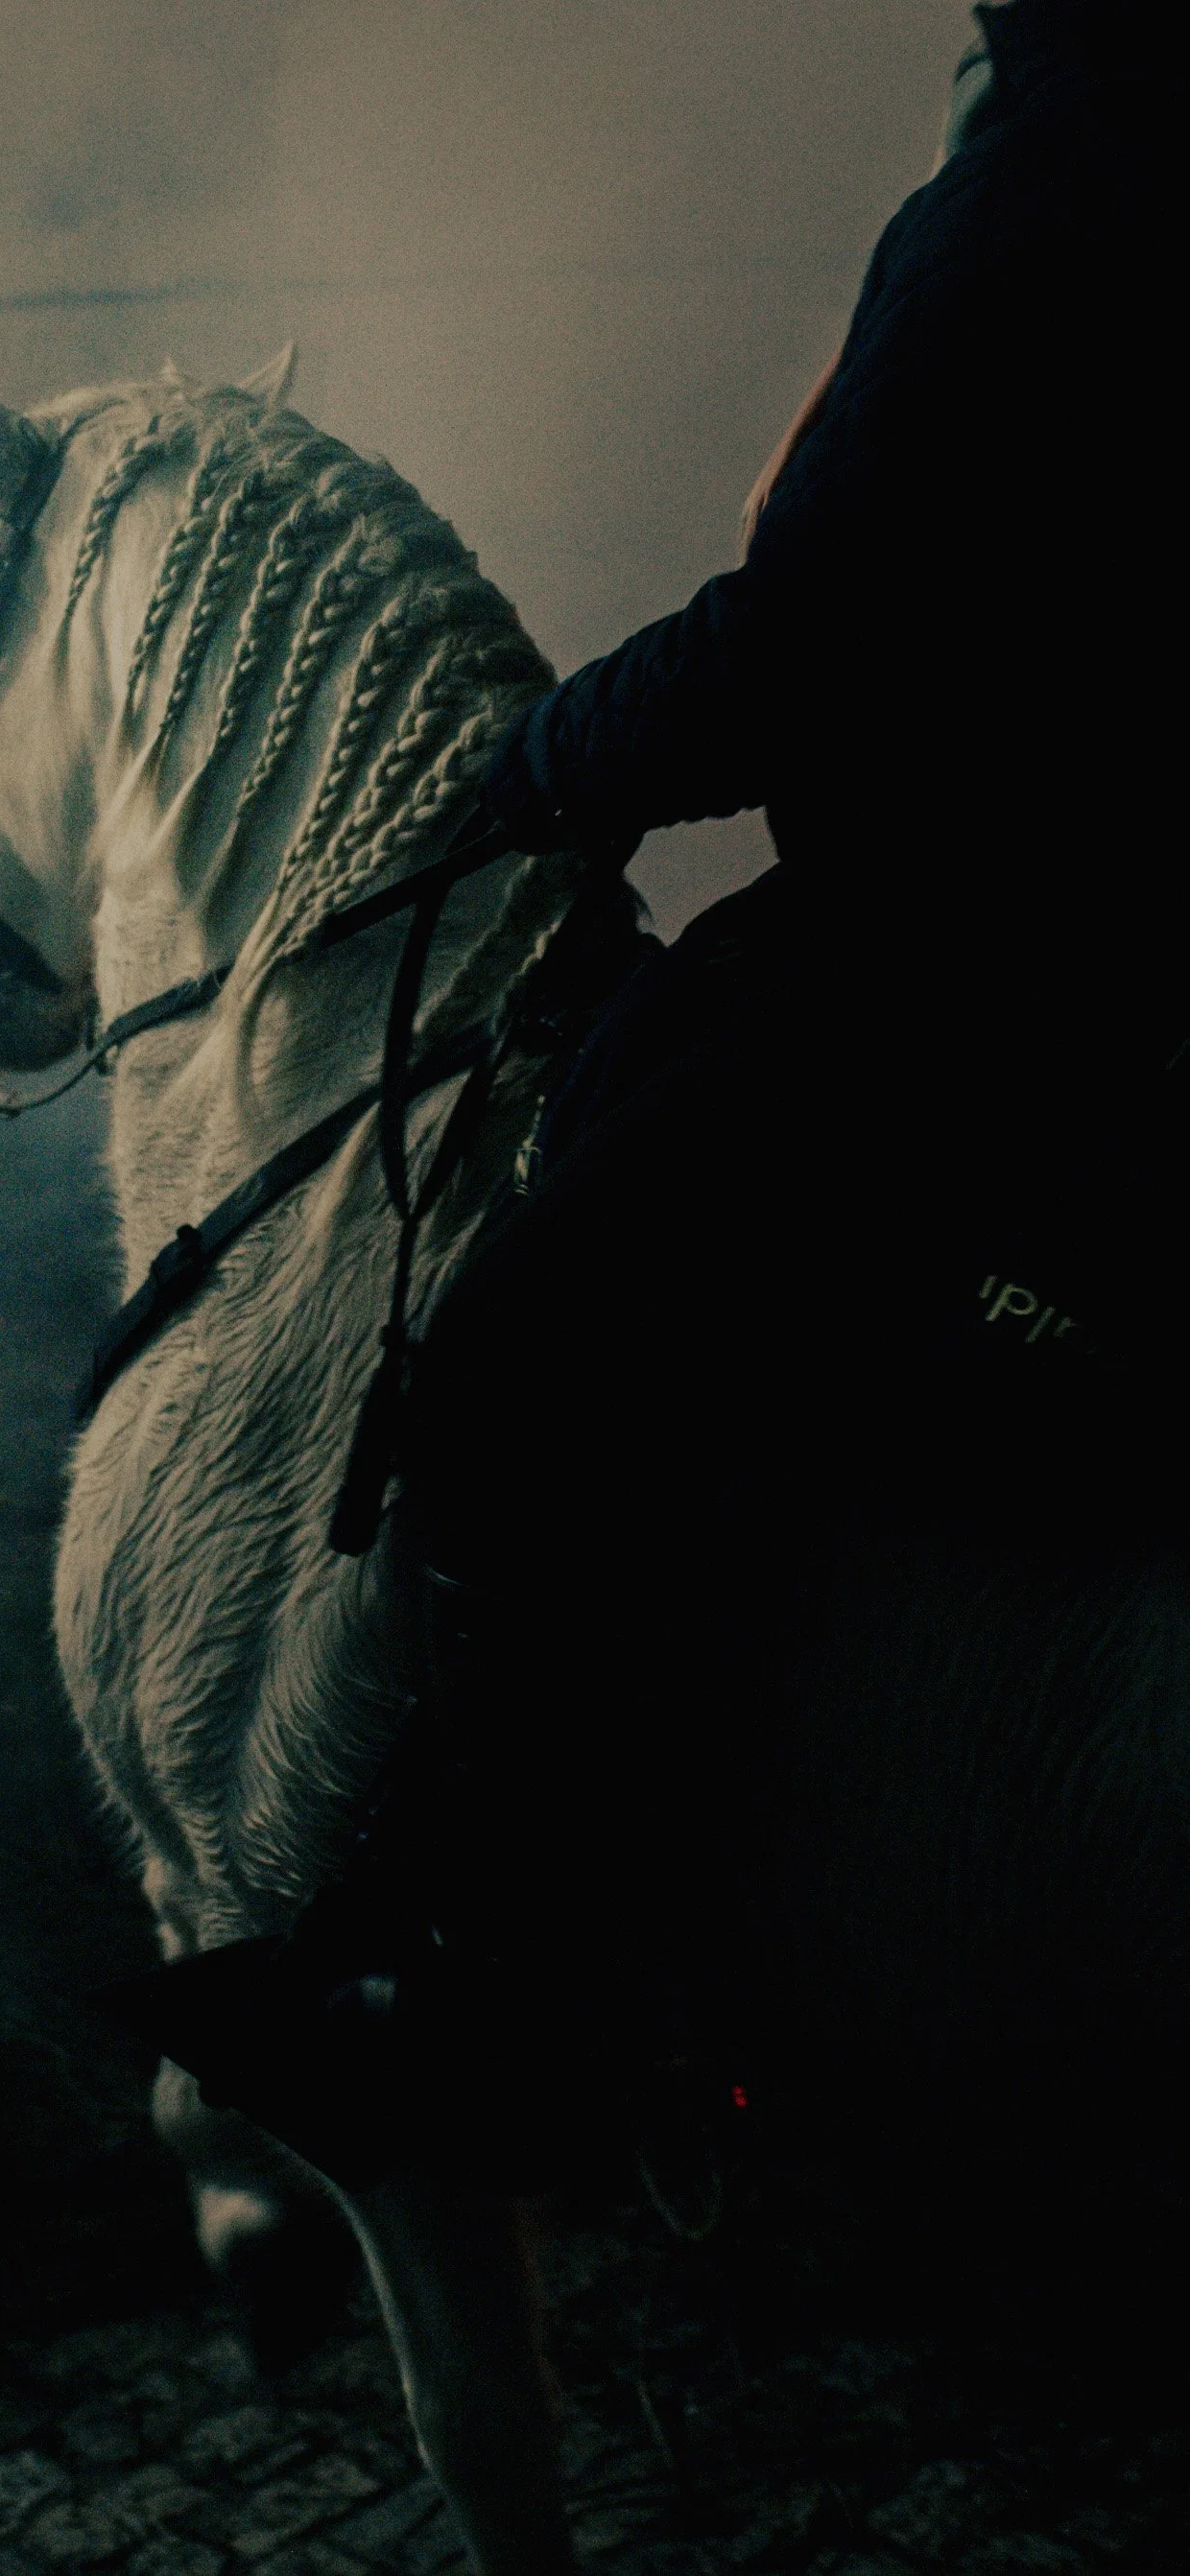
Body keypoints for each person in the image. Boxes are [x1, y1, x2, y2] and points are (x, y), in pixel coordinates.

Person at [125, 0, 1182, 2187]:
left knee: (514, 1351)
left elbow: (815, 636)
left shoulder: (1055, 173)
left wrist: (542, 759)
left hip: (1008, 953)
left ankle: (492, 1992)